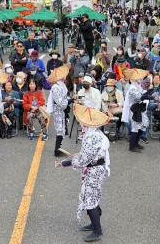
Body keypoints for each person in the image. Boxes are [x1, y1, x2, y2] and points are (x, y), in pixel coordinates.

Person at [55, 104, 110, 242]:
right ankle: (94, 223)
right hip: (96, 169)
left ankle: (97, 231)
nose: (81, 125)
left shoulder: (92, 138)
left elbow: (83, 160)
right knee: (92, 197)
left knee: (89, 200)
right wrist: (73, 159)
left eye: (83, 123)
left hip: (94, 171)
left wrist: (65, 163)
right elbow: (85, 156)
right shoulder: (95, 134)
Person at [122, 68, 150, 153]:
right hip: (135, 110)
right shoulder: (132, 88)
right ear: (134, 79)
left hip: (140, 109)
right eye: (138, 78)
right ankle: (132, 146)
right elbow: (139, 98)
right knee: (135, 128)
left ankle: (136, 143)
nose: (140, 79)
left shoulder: (138, 86)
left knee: (141, 127)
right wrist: (147, 95)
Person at [46, 65, 70, 157]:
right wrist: (69, 101)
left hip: (61, 110)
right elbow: (60, 102)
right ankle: (57, 150)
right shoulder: (55, 87)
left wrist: (68, 100)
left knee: (61, 129)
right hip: (58, 110)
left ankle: (59, 148)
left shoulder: (61, 85)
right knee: (59, 130)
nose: (65, 77)